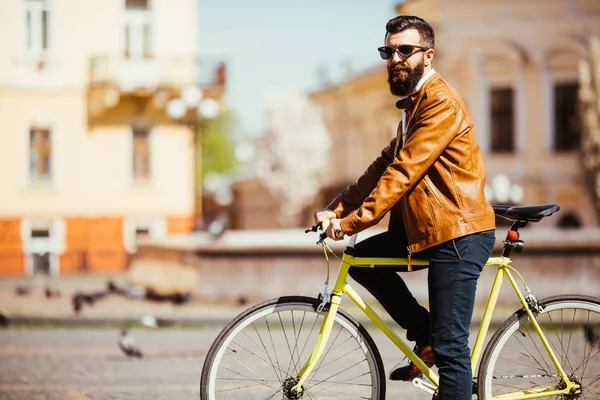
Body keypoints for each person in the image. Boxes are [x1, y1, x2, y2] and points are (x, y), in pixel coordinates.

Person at [313, 15, 496, 400]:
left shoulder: (440, 102)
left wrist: (352, 222)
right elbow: (382, 166)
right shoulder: (413, 106)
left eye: (405, 50)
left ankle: (436, 343)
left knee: (452, 351)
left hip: (459, 233)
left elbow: (403, 172)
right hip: (429, 229)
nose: (395, 58)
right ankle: (425, 335)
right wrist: (336, 207)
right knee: (364, 261)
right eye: (388, 51)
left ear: (427, 56)